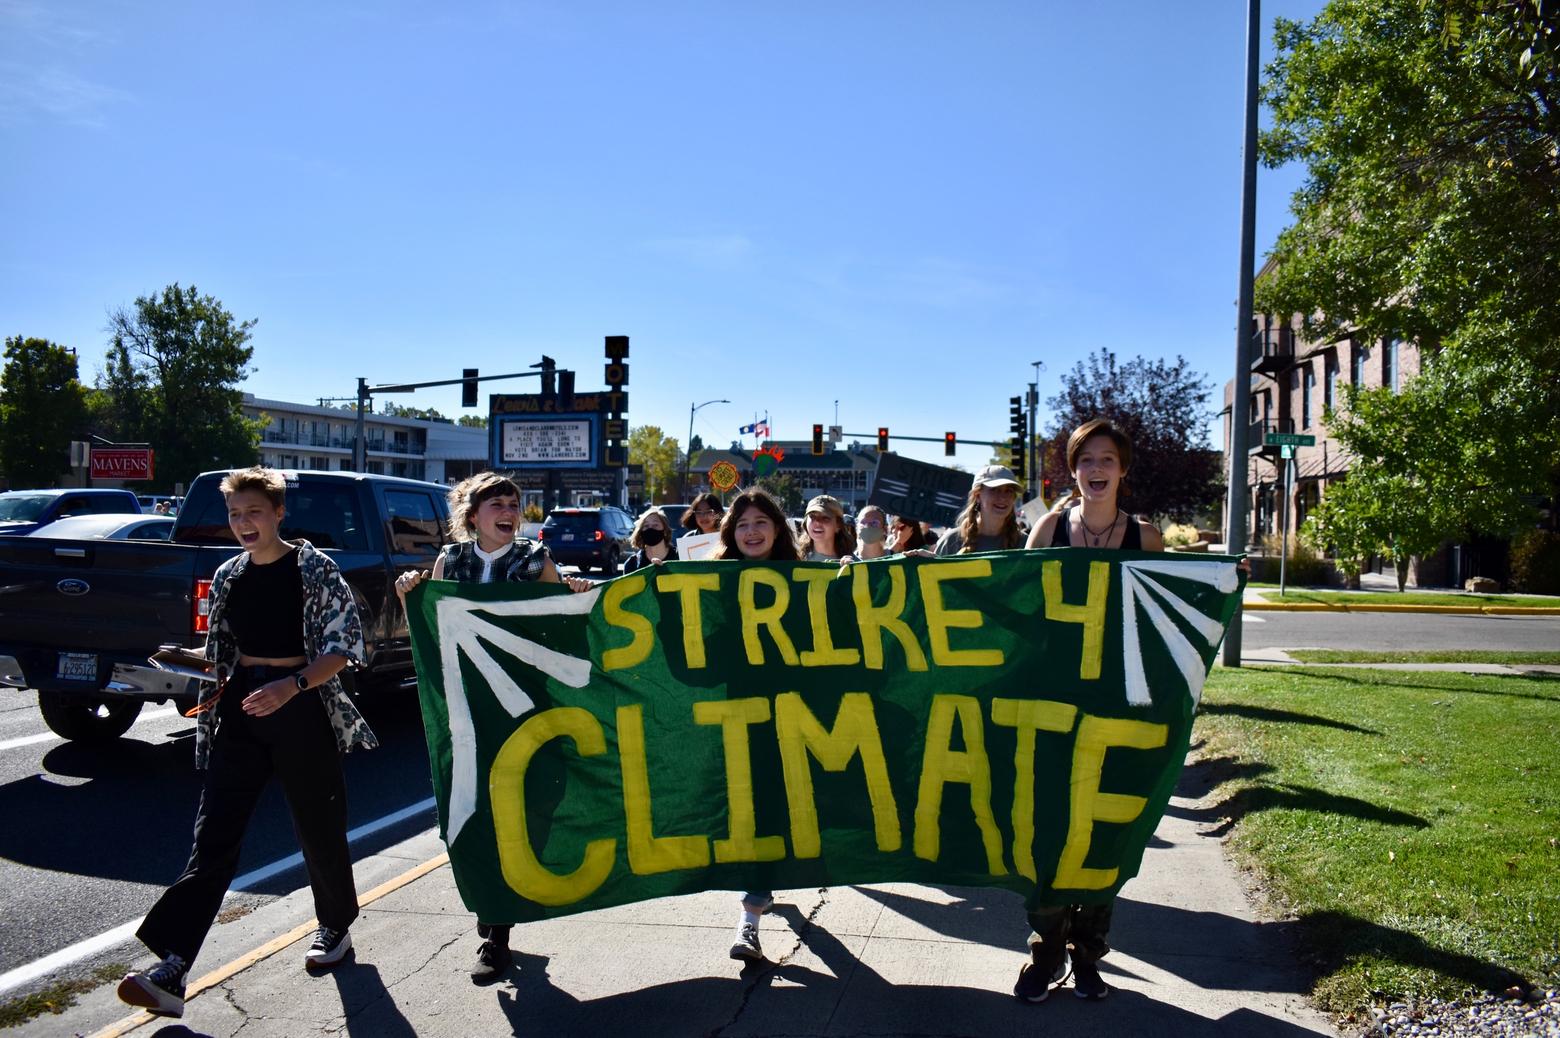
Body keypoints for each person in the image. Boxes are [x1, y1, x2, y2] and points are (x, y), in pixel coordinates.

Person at [118, 467, 374, 1019]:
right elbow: (225, 652)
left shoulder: (315, 569)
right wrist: (185, 659)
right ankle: (173, 966)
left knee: (319, 825)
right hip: (242, 707)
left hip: (302, 702)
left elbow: (345, 647)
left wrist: (293, 685)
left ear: (278, 513)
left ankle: (336, 927)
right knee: (213, 836)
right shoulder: (229, 573)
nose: (243, 523)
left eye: (253, 512)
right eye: (235, 514)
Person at [394, 472, 590, 984]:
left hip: (527, 708)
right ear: (472, 514)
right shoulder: (451, 562)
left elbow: (566, 625)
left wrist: (577, 593)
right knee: (480, 813)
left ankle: (505, 909)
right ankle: (495, 931)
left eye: (514, 503)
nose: (508, 511)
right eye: (496, 503)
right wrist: (409, 593)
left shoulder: (534, 560)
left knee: (529, 808)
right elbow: (432, 628)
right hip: (470, 711)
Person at [1013, 419, 1160, 1004]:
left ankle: (1088, 953)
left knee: (1105, 835)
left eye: (1107, 458)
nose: (1096, 469)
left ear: (1123, 469)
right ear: (1072, 471)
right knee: (1046, 834)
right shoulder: (1049, 528)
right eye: (1085, 459)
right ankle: (1045, 951)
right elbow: (1016, 603)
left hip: (1118, 710)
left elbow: (1162, 624)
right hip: (1050, 710)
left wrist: (1219, 585)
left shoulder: (1146, 539)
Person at [712, 487, 800, 961]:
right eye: (742, 523)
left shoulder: (805, 579)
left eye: (760, 522)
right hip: (734, 714)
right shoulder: (708, 581)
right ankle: (754, 906)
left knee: (774, 810)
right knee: (749, 812)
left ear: (777, 529)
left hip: (796, 716)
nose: (751, 531)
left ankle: (756, 905)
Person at [934, 466, 1026, 555]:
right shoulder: (951, 541)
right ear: (977, 496)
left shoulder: (1026, 543)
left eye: (1009, 491)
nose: (1002, 497)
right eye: (994, 490)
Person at [798, 494, 856, 561]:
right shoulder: (795, 559)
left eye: (825, 518)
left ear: (838, 525)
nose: (817, 522)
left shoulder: (853, 564)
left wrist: (849, 570)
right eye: (812, 516)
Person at [622, 506, 678, 573]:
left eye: (655, 525)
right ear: (640, 532)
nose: (650, 529)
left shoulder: (679, 558)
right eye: (646, 526)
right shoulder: (632, 564)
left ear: (665, 530)